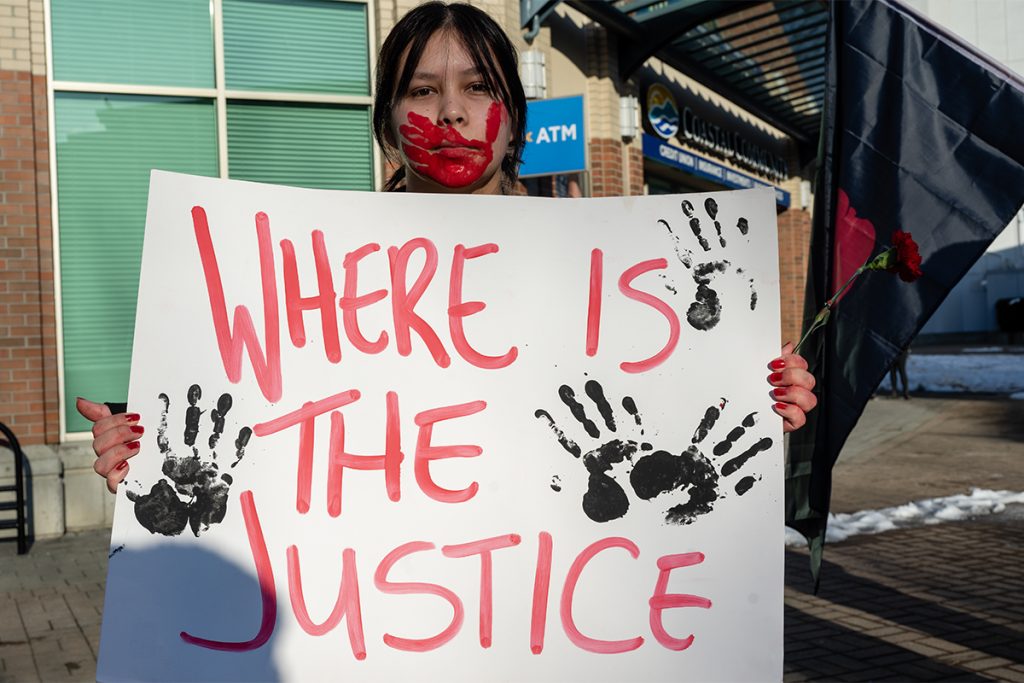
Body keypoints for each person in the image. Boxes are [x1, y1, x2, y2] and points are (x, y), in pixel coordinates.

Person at [77, 1, 817, 494]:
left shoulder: (618, 281)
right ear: (388, 121)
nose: (453, 111)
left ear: (515, 121)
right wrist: (145, 453)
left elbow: (684, 426)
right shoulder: (315, 284)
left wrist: (753, 396)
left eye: (477, 88)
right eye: (423, 91)